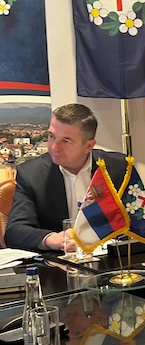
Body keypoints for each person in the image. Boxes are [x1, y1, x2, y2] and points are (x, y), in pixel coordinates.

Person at [5, 104, 129, 251]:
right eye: (51, 136)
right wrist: (50, 239)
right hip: (59, 261)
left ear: (88, 146)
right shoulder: (31, 174)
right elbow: (14, 231)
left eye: (66, 141)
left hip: (110, 258)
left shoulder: (118, 167)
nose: (54, 147)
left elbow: (141, 219)